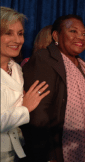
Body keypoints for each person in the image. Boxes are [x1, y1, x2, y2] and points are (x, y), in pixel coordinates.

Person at [20, 15, 85, 162]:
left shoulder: (84, 68)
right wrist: (48, 157)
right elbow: (38, 114)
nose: (80, 37)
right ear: (56, 35)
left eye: (84, 34)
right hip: (56, 151)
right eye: (73, 31)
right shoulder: (44, 59)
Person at [1, 6, 50, 161]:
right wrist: (25, 108)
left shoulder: (16, 68)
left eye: (20, 33)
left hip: (16, 150)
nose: (18, 40)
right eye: (9, 33)